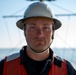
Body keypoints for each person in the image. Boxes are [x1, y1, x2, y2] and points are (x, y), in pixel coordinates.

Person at [0, 2, 76, 75]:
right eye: (33, 27)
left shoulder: (67, 70)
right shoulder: (4, 67)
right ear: (24, 31)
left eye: (45, 28)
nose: (40, 34)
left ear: (53, 32)